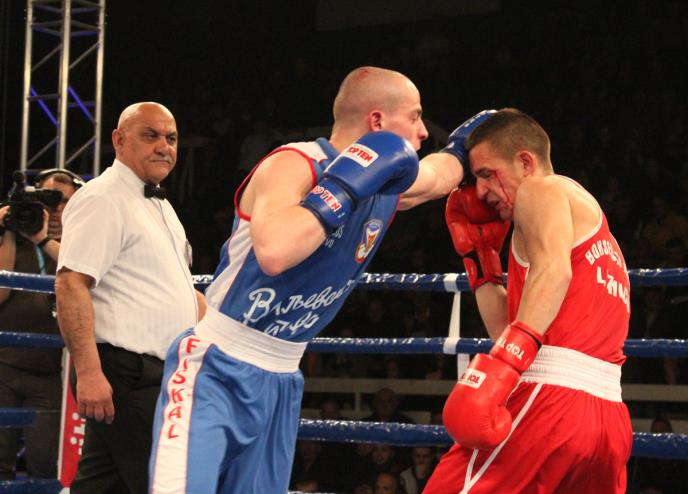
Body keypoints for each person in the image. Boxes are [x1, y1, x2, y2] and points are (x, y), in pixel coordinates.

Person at [148, 65, 494, 493]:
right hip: (218, 367)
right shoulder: (294, 164)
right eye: (415, 116)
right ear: (377, 122)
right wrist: (345, 189)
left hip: (283, 375)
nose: (424, 132)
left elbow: (439, 176)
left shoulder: (389, 184)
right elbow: (274, 252)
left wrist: (469, 143)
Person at [424, 108, 632, 492]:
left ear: (525, 162)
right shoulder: (596, 230)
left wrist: (502, 367)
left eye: (487, 173)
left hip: (549, 402)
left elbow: (554, 272)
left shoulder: (541, 189)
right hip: (607, 418)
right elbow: (515, 329)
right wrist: (482, 261)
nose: (480, 191)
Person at [54, 102, 206, 494]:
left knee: (103, 483)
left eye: (171, 138)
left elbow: (174, 288)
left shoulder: (159, 206)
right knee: (165, 483)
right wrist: (89, 372)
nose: (164, 147)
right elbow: (70, 284)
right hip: (124, 373)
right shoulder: (103, 198)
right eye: (150, 135)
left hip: (155, 372)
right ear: (119, 141)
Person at [0, 169, 82, 480]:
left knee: (45, 465)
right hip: (4, 364)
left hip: (50, 371)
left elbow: (79, 273)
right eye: (49, 199)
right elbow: (1, 291)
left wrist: (43, 239)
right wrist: (8, 230)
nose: (56, 207)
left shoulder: (80, 243)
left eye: (63, 200)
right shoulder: (10, 240)